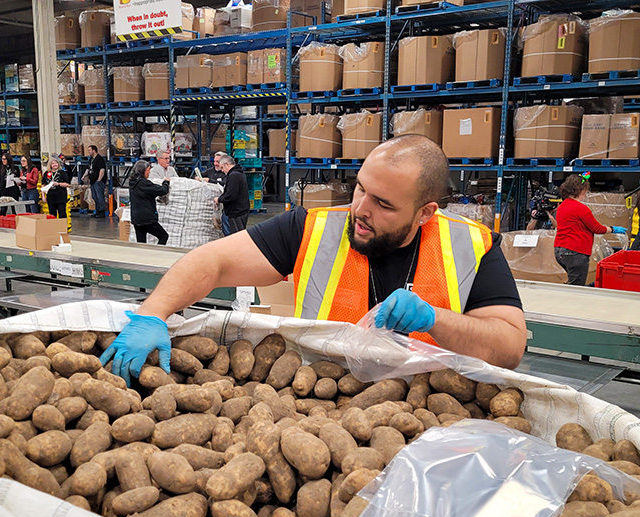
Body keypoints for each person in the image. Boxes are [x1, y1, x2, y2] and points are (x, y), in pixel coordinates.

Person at [101, 135, 526, 383]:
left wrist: (436, 319)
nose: (361, 209)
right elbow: (210, 262)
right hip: (318, 397)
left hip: (430, 409)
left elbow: (510, 348)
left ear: (425, 213)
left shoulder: (473, 246)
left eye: (383, 204)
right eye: (360, 188)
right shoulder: (311, 228)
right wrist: (152, 315)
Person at [552, 173, 627, 286]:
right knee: (577, 287)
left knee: (573, 281)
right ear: (581, 190)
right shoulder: (581, 209)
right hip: (575, 252)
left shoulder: (562, 206)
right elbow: (597, 228)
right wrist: (613, 229)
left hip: (559, 251)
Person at [128, 160, 170, 245]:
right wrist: (166, 182)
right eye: (148, 170)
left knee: (141, 243)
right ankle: (156, 255)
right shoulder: (143, 183)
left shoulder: (133, 182)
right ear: (142, 170)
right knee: (163, 236)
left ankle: (143, 258)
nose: (149, 172)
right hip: (147, 219)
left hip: (137, 219)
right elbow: (162, 190)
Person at [217, 154, 250, 236]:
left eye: (222, 167)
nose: (222, 170)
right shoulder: (238, 174)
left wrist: (219, 199)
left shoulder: (234, 175)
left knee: (234, 236)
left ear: (227, 164)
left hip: (236, 212)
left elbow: (231, 195)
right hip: (238, 211)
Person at [87, 144, 108, 218]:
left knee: (99, 196)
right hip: (92, 181)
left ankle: (102, 211)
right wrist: (84, 176)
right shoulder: (91, 159)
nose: (88, 152)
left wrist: (99, 180)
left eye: (89, 150)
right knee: (94, 196)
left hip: (98, 181)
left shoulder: (99, 159)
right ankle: (97, 210)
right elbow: (88, 169)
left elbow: (102, 170)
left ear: (94, 150)